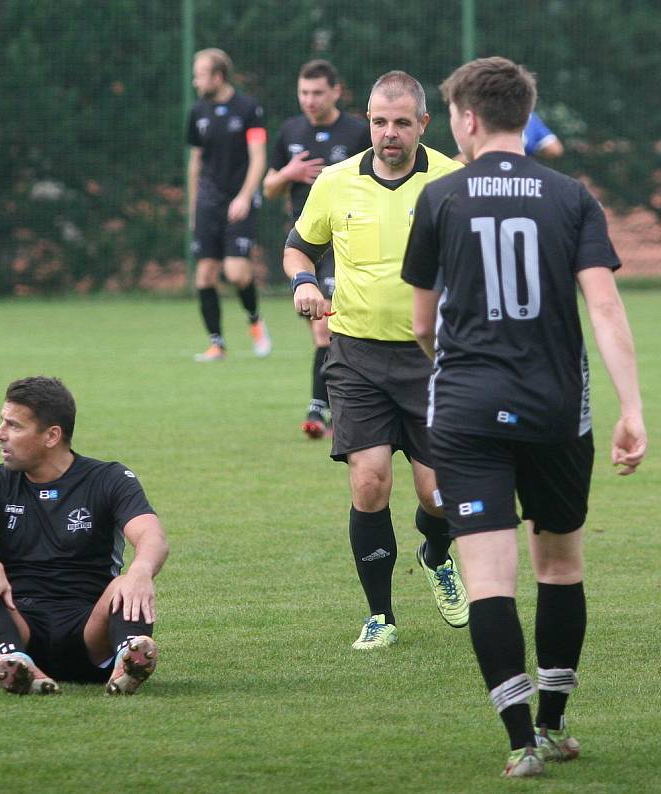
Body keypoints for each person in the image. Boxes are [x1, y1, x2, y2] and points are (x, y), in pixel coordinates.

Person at [401, 56, 647, 777]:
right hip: (555, 411)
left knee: (489, 579)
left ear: (469, 119)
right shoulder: (571, 196)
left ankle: (517, 744)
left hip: (468, 411)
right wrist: (632, 407)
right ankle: (555, 720)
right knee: (561, 566)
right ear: (523, 113)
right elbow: (603, 306)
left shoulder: (441, 196)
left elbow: (422, 322)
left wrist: (462, 356)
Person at [282, 70, 469, 649]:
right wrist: (305, 282)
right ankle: (381, 616)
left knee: (439, 494)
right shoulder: (335, 182)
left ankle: (436, 552)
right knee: (370, 482)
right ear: (367, 121)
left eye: (402, 123)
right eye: (380, 122)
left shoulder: (452, 180)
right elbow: (297, 247)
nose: (390, 133)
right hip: (357, 355)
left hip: (432, 359)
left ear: (422, 125)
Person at [0, 376, 170, 696]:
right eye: (2, 422)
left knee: (128, 582)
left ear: (51, 436)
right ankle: (13, 660)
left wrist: (140, 570)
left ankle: (129, 656)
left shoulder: (109, 479)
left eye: (13, 426)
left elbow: (152, 536)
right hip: (18, 624)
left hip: (90, 632)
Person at [264, 60, 370, 439]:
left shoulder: (359, 132)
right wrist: (287, 174)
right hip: (306, 246)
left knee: (330, 328)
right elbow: (269, 188)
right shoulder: (290, 131)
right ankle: (323, 406)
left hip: (346, 243)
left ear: (336, 92)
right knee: (323, 330)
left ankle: (325, 406)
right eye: (304, 93)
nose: (309, 100)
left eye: (317, 93)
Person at [187, 48, 272, 362]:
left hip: (240, 199)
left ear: (218, 76)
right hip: (208, 202)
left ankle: (255, 320)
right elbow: (195, 161)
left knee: (236, 273)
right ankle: (216, 344)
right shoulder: (197, 112)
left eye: (200, 74)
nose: (196, 80)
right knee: (205, 274)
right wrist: (195, 205)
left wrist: (245, 196)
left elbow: (258, 156)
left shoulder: (249, 109)